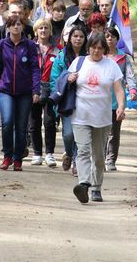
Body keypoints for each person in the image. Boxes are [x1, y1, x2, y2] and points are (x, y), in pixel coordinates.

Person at [67, 33, 125, 203]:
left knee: (99, 156)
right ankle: (84, 184)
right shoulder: (79, 63)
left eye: (100, 48)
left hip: (102, 117)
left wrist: (121, 107)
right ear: (88, 47)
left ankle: (96, 187)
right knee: (83, 150)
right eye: (93, 47)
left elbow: (119, 89)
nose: (96, 51)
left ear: (105, 50)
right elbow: (66, 81)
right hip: (80, 115)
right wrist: (70, 78)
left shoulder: (111, 65)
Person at [0, 15, 41, 171]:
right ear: (8, 28)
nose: (17, 27)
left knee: (21, 125)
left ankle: (18, 159)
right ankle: (7, 156)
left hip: (25, 91)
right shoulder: (1, 45)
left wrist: (36, 89)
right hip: (5, 89)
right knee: (7, 122)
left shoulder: (30, 45)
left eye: (19, 24)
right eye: (13, 24)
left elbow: (35, 69)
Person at [50, 25, 88, 174]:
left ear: (85, 39)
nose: (78, 39)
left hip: (85, 100)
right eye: (75, 36)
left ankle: (77, 162)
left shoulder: (90, 56)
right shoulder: (61, 57)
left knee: (80, 133)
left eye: (81, 36)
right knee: (68, 134)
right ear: (69, 38)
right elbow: (54, 80)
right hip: (67, 101)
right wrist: (67, 79)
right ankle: (69, 153)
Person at [104, 27, 137, 172]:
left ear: (117, 39)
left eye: (112, 36)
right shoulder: (99, 56)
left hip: (117, 100)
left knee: (114, 131)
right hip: (99, 100)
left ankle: (111, 159)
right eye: (106, 36)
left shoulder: (123, 58)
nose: (110, 39)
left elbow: (129, 74)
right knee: (100, 131)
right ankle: (100, 157)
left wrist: (132, 89)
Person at [28, 19, 61, 167]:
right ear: (35, 31)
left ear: (50, 31)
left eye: (46, 28)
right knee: (34, 122)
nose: (43, 30)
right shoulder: (29, 47)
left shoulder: (57, 49)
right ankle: (37, 153)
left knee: (49, 122)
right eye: (40, 28)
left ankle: (49, 153)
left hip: (51, 88)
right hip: (33, 87)